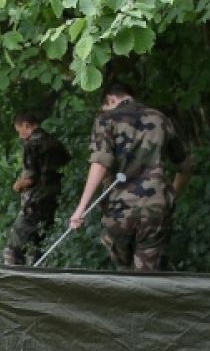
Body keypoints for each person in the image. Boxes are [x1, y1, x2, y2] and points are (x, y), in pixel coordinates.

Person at [68, 83, 193, 271]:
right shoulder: (160, 119)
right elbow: (186, 166)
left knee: (125, 275)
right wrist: (171, 194)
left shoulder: (106, 119)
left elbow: (100, 164)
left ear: (111, 99)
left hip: (120, 210)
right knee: (149, 276)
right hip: (155, 208)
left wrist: (81, 208)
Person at [4, 113, 70, 265]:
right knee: (39, 246)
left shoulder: (32, 145)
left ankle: (11, 282)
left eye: (19, 131)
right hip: (52, 199)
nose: (20, 136)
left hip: (35, 200)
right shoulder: (54, 142)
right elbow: (66, 162)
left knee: (13, 248)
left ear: (27, 125)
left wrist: (17, 186)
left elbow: (29, 178)